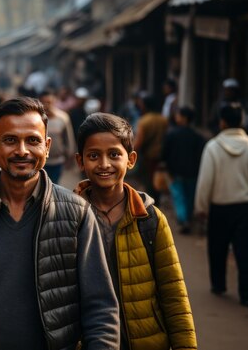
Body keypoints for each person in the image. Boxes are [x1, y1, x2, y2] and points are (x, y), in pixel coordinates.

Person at [0, 97, 120, 350]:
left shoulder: (76, 213)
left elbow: (100, 310)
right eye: (10, 140)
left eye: (33, 140)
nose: (22, 151)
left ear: (47, 147)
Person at [74, 112, 197, 350]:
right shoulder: (67, 219)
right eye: (93, 156)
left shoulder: (149, 219)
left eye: (114, 154)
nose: (104, 164)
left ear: (130, 159)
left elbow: (174, 294)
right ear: (80, 161)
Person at [195, 103, 248, 307]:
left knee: (217, 248)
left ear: (222, 122)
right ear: (241, 121)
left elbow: (205, 181)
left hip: (219, 206)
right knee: (246, 252)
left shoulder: (212, 147)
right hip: (245, 208)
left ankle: (219, 285)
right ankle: (247, 295)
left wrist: (201, 207)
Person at [161, 106, 206, 233]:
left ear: (184, 118)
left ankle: (183, 219)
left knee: (178, 196)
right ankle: (188, 218)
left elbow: (165, 153)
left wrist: (164, 165)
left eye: (179, 115)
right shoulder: (197, 137)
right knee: (190, 196)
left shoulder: (171, 134)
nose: (176, 117)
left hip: (175, 171)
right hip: (193, 172)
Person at [133, 93, 168, 202]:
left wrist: (130, 153)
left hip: (148, 157)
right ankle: (157, 203)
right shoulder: (163, 120)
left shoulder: (144, 121)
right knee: (158, 183)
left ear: (145, 105)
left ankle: (151, 206)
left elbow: (138, 142)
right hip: (162, 156)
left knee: (148, 183)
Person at [39, 89, 76, 183]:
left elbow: (69, 139)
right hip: (40, 161)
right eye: (44, 103)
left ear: (54, 101)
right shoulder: (36, 119)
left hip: (57, 161)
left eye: (49, 102)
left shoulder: (63, 118)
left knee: (54, 185)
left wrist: (70, 157)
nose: (47, 105)